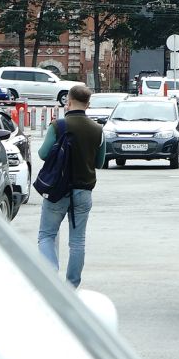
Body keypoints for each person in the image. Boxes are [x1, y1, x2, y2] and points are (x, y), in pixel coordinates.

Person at [36, 84, 106, 288]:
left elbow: (42, 154)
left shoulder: (58, 126)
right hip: (83, 191)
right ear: (88, 104)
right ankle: (72, 286)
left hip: (57, 190)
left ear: (68, 101)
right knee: (77, 241)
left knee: (47, 235)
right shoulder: (98, 129)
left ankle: (51, 281)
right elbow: (100, 163)